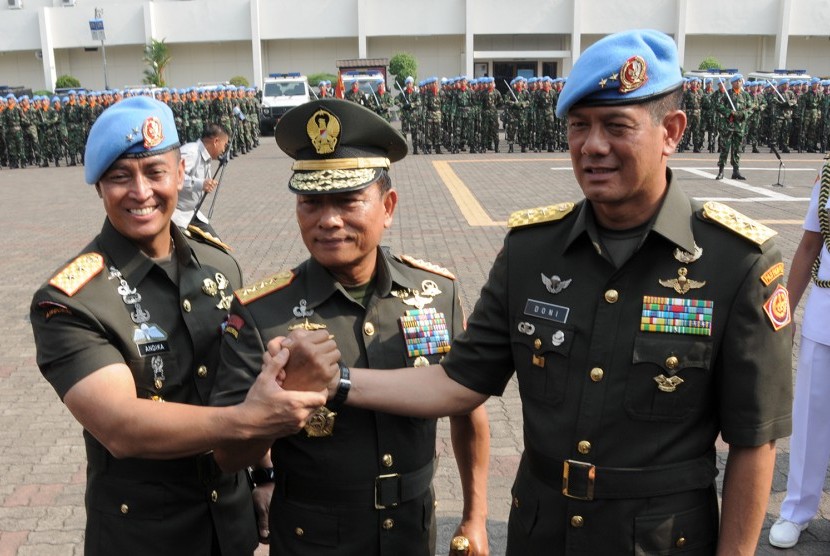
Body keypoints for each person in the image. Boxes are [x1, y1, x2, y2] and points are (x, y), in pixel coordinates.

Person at [275, 29, 794, 554]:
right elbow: (459, 383)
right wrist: (336, 381)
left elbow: (755, 440)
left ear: (671, 131)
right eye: (578, 126)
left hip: (661, 541)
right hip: (541, 533)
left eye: (617, 126)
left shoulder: (738, 261)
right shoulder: (531, 252)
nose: (593, 146)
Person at [29, 96, 337, 556]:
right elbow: (121, 426)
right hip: (146, 535)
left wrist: (264, 473)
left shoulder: (219, 264)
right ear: (98, 187)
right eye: (119, 177)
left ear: (178, 172)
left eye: (154, 172)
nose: (140, 191)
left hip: (230, 524)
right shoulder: (71, 300)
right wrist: (248, 421)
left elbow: (245, 380)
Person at [210, 98, 491, 556]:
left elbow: (468, 405)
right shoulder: (262, 311)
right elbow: (228, 456)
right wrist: (272, 406)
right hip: (314, 536)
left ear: (388, 206)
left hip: (412, 531)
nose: (328, 220)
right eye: (311, 202)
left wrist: (475, 516)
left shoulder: (436, 291)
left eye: (347, 200)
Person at [768, 158, 830, 548]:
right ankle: (796, 510)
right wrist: (786, 312)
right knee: (810, 418)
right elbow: (809, 244)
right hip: (827, 311)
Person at [172, 122, 230, 240]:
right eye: (224, 145)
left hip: (192, 214)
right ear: (216, 141)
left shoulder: (205, 157)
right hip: (177, 215)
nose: (224, 149)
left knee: (215, 244)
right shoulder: (191, 152)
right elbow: (173, 177)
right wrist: (201, 184)